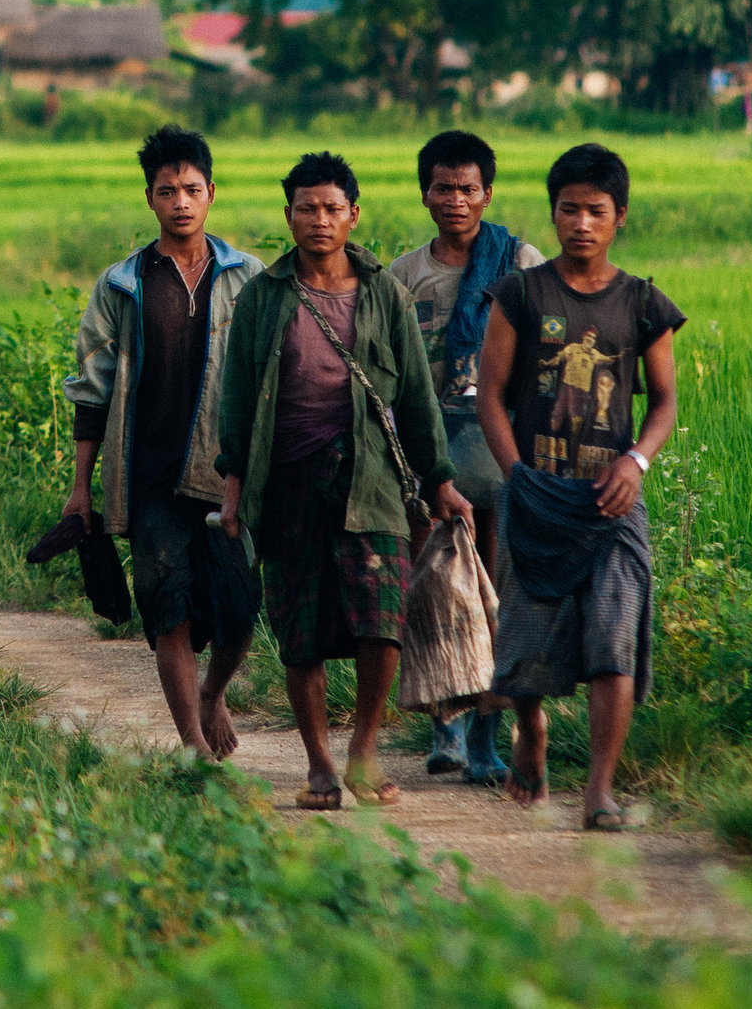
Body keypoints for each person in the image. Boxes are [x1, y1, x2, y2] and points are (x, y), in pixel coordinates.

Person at [217, 150, 470, 810]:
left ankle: (362, 751)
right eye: (307, 207)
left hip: (372, 482)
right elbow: (237, 397)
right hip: (288, 482)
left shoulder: (386, 294)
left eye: (332, 208)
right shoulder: (263, 298)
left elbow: (415, 393)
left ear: (353, 215)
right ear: (289, 215)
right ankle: (319, 763)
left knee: (381, 617)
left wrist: (439, 478)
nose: (320, 219)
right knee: (299, 627)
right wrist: (234, 483)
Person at [474, 142, 683, 832]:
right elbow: (493, 397)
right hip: (537, 494)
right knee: (526, 637)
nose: (581, 223)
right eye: (569, 209)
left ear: (619, 216)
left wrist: (637, 462)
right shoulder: (520, 293)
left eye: (596, 210)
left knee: (613, 635)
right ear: (553, 212)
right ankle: (530, 732)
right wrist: (517, 477)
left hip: (612, 501)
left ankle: (598, 787)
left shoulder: (643, 302)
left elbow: (663, 403)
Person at [62, 125, 266, 759]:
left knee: (240, 614)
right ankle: (194, 749)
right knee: (167, 607)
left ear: (212, 195)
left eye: (192, 189)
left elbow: (272, 377)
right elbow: (91, 390)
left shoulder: (249, 279)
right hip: (148, 475)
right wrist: (80, 490)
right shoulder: (122, 284)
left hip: (226, 474)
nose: (181, 201)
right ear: (149, 199)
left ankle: (214, 694)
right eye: (167, 190)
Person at [387, 129, 545, 786]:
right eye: (443, 187)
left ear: (488, 192)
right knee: (439, 588)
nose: (456, 199)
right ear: (425, 192)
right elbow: (391, 373)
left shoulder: (520, 261)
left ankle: (486, 734)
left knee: (499, 593)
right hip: (430, 453)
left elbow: (545, 356)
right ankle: (443, 724)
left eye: (468, 188)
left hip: (503, 449)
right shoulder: (404, 274)